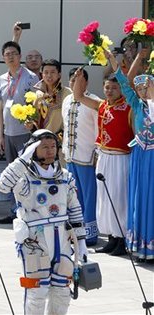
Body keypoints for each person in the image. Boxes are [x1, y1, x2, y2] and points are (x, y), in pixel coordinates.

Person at [0, 129, 87, 315]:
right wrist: (22, 160)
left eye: (53, 146)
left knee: (62, 292)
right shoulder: (24, 177)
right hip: (35, 242)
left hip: (61, 241)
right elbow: (3, 186)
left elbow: (75, 210)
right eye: (44, 147)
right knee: (37, 293)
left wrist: (82, 243)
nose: (50, 151)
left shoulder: (64, 176)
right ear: (33, 150)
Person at [73, 66, 134, 256]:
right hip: (104, 157)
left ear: (122, 89)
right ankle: (111, 238)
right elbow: (78, 97)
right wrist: (78, 78)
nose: (109, 91)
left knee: (119, 199)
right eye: (107, 87)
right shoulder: (102, 105)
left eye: (114, 88)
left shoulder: (129, 106)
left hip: (121, 158)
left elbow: (129, 82)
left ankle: (122, 239)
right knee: (105, 199)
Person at [109, 49, 154, 262]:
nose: (143, 91)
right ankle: (140, 246)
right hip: (140, 156)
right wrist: (114, 61)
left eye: (148, 87)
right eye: (141, 88)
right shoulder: (137, 105)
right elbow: (124, 84)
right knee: (139, 198)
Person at [0, 40, 40, 224]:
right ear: (3, 58)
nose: (10, 57)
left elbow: (38, 106)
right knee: (12, 173)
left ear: (20, 56)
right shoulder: (1, 79)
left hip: (24, 133)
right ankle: (14, 209)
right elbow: (0, 108)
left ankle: (28, 209)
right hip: (8, 133)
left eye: (14, 53)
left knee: (25, 173)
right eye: (7, 54)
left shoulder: (30, 77)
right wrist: (0, 135)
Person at [61, 67, 101, 246]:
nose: (74, 83)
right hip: (70, 157)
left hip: (87, 156)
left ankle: (90, 234)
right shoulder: (67, 100)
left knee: (89, 195)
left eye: (78, 80)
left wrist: (97, 153)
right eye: (72, 80)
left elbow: (99, 130)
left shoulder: (93, 102)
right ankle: (76, 231)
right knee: (74, 196)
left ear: (86, 82)